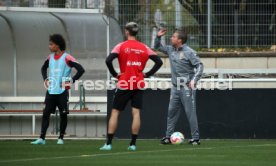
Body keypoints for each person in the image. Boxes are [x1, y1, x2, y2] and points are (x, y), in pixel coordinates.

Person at [100, 22, 163, 151]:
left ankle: (108, 144)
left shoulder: (120, 46)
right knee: (136, 113)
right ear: (137, 32)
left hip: (124, 82)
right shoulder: (144, 47)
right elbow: (159, 61)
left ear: (126, 32)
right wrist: (147, 74)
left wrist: (115, 74)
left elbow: (108, 60)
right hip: (139, 82)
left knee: (115, 112)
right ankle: (133, 144)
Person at [31, 34, 85, 145]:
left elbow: (81, 70)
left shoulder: (67, 57)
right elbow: (43, 68)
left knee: (63, 114)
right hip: (50, 91)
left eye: (51, 44)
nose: (49, 46)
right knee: (46, 114)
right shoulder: (49, 57)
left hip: (63, 91)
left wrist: (71, 81)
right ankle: (42, 138)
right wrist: (45, 79)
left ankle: (60, 138)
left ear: (58, 45)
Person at [154, 28, 203, 145]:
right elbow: (157, 47)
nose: (171, 38)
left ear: (180, 40)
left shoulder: (189, 52)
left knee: (190, 112)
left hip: (187, 87)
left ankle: (195, 138)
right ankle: (168, 136)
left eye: (173, 37)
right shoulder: (171, 49)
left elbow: (200, 65)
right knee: (171, 112)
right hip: (175, 87)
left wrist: (194, 80)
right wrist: (158, 37)